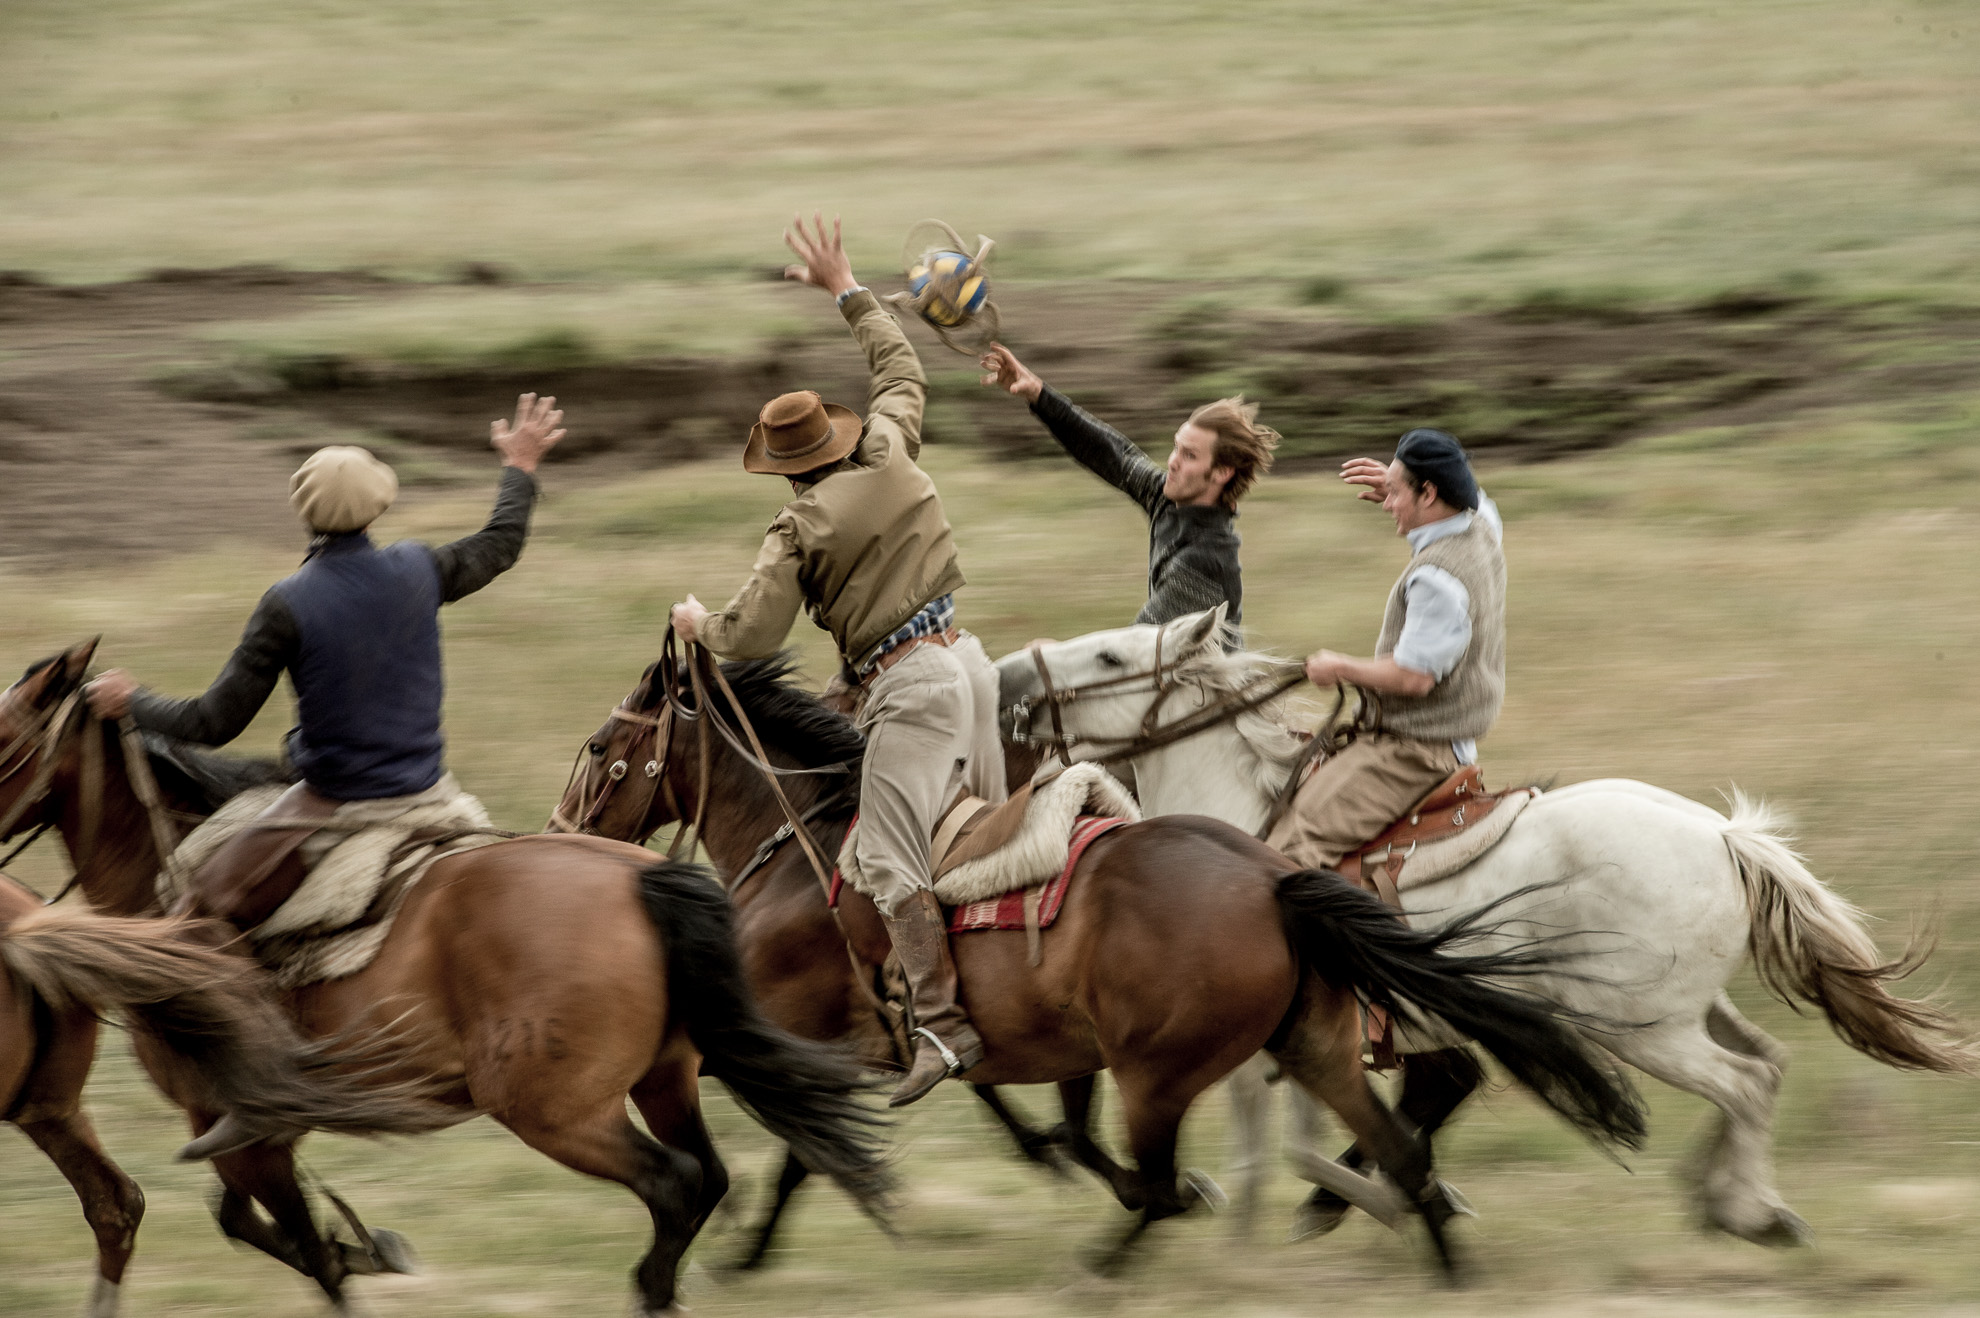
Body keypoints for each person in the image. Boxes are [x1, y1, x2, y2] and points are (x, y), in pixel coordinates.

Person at [669, 214, 1005, 1107]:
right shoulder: (890, 443)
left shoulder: (801, 524)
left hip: (912, 689)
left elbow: (746, 640)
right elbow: (900, 370)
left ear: (784, 469)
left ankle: (941, 1025)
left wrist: (695, 620)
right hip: (968, 662)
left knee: (891, 863)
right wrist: (846, 288)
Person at [84, 394, 566, 922]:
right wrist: (519, 466)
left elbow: (213, 722)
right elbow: (500, 545)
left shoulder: (287, 602)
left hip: (337, 802)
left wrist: (131, 701)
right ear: (379, 502)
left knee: (198, 910)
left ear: (303, 508)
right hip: (430, 788)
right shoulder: (418, 567)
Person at [1266, 428, 1504, 870]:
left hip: (1413, 751)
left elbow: (1415, 677)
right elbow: (1476, 499)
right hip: (1437, 738)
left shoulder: (1436, 578)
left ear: (1430, 493)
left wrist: (1341, 667)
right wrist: (1400, 483)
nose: (1386, 503)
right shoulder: (1482, 528)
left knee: (1287, 849)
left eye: (1394, 493)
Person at [978, 343, 1278, 638]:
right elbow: (1116, 457)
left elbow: (1133, 648)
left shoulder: (1206, 559)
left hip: (1207, 688)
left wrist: (1055, 656)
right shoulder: (1169, 498)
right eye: (1176, 447)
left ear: (1222, 472)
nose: (1172, 462)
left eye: (1190, 455)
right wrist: (1038, 394)